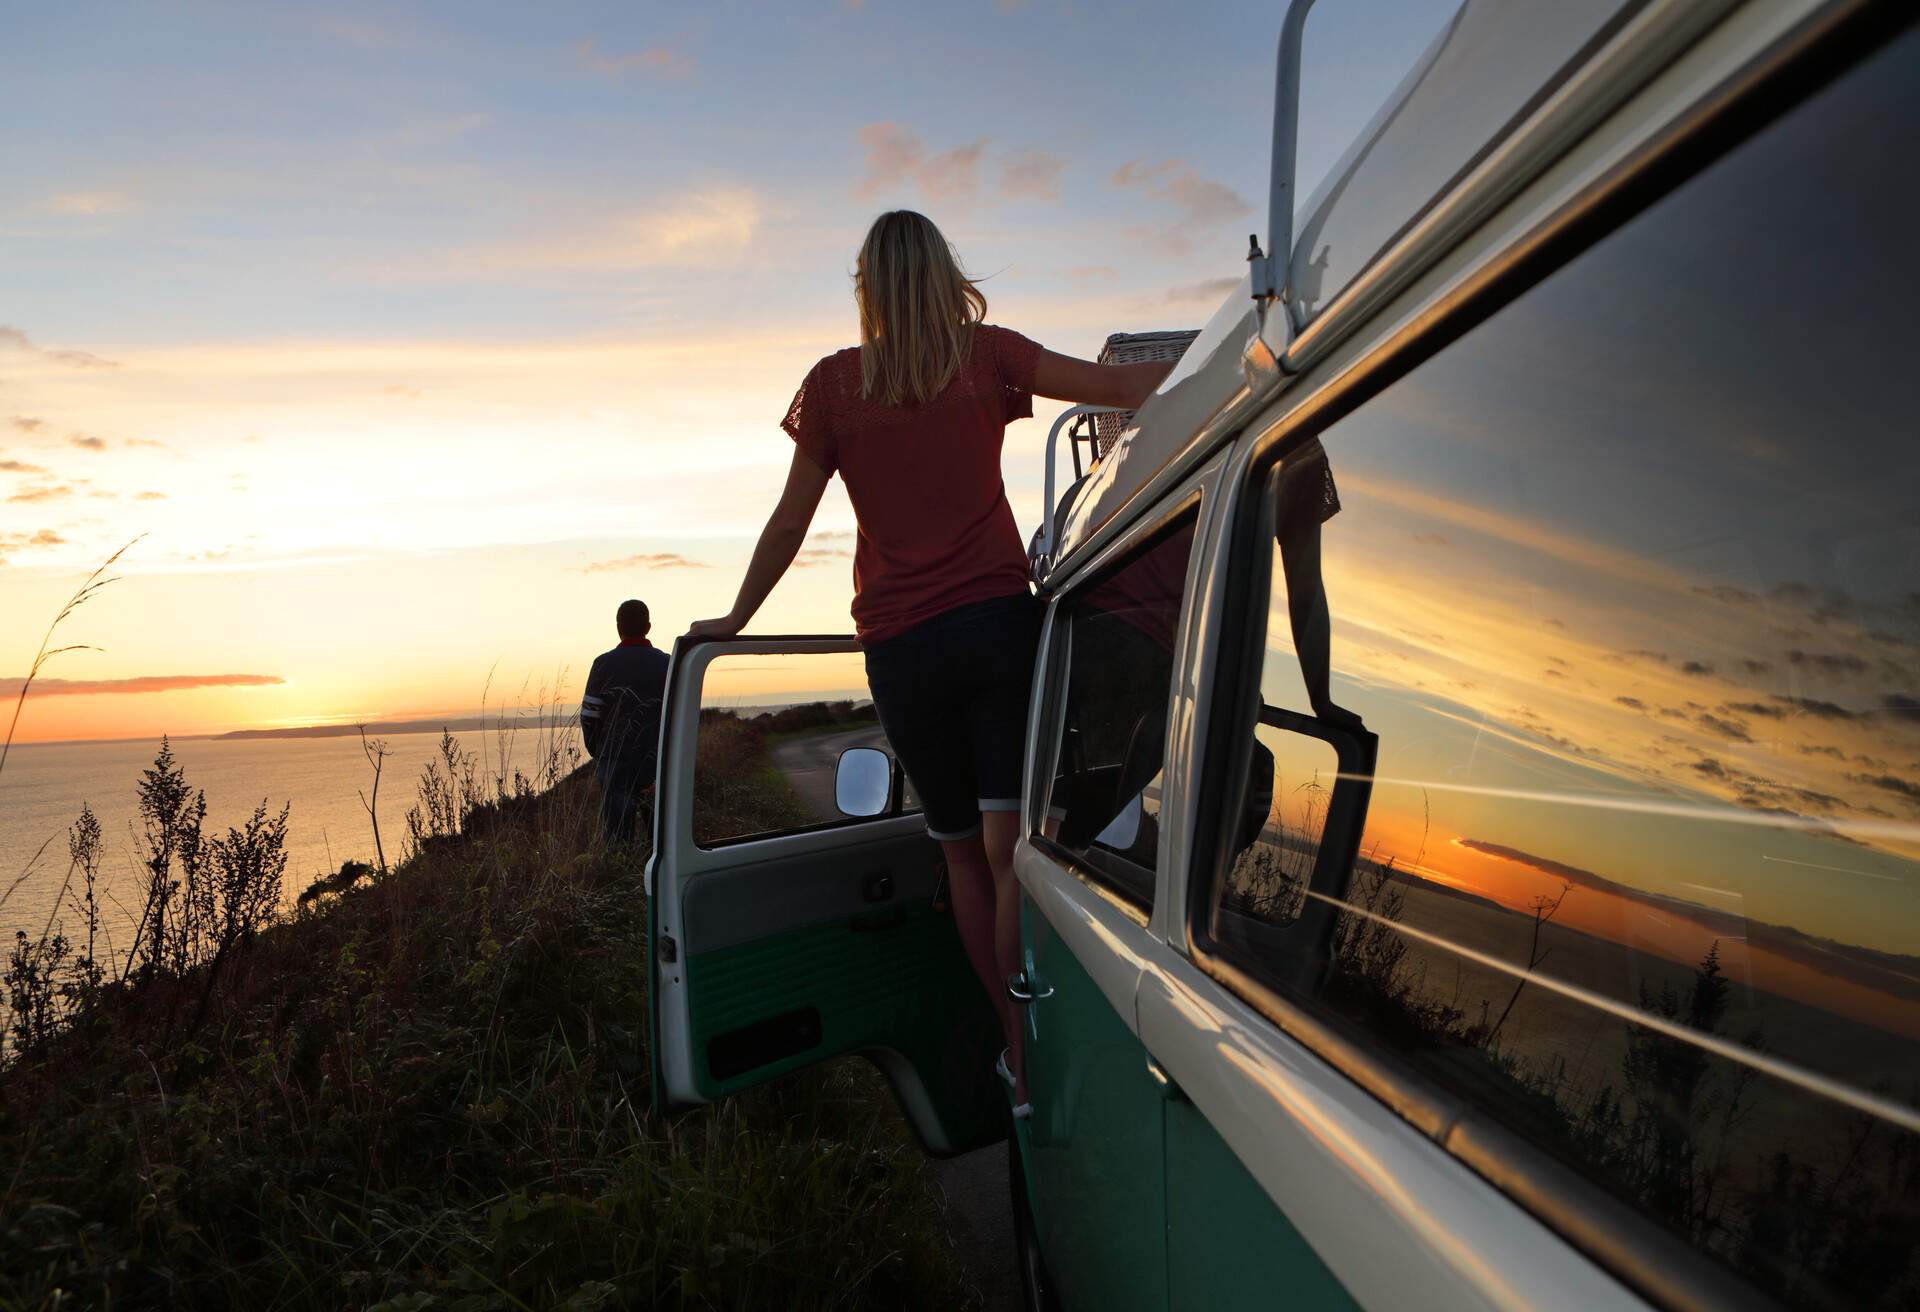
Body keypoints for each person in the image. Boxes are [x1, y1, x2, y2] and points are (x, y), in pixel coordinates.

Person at [685, 210, 1171, 1115]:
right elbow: (1118, 387)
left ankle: (1017, 1054)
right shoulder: (985, 356)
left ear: (866, 287)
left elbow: (791, 520)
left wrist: (734, 616)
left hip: (902, 649)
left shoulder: (833, 386)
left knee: (959, 855)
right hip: (994, 627)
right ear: (944, 271)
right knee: (1012, 848)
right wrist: (1245, 354)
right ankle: (1053, 1026)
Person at [582, 598, 670, 845]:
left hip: (615, 761)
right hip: (658, 761)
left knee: (618, 837)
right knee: (661, 838)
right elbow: (678, 715)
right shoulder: (667, 663)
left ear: (618, 627)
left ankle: (620, 879)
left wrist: (599, 752)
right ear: (649, 626)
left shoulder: (603, 664)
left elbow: (589, 715)